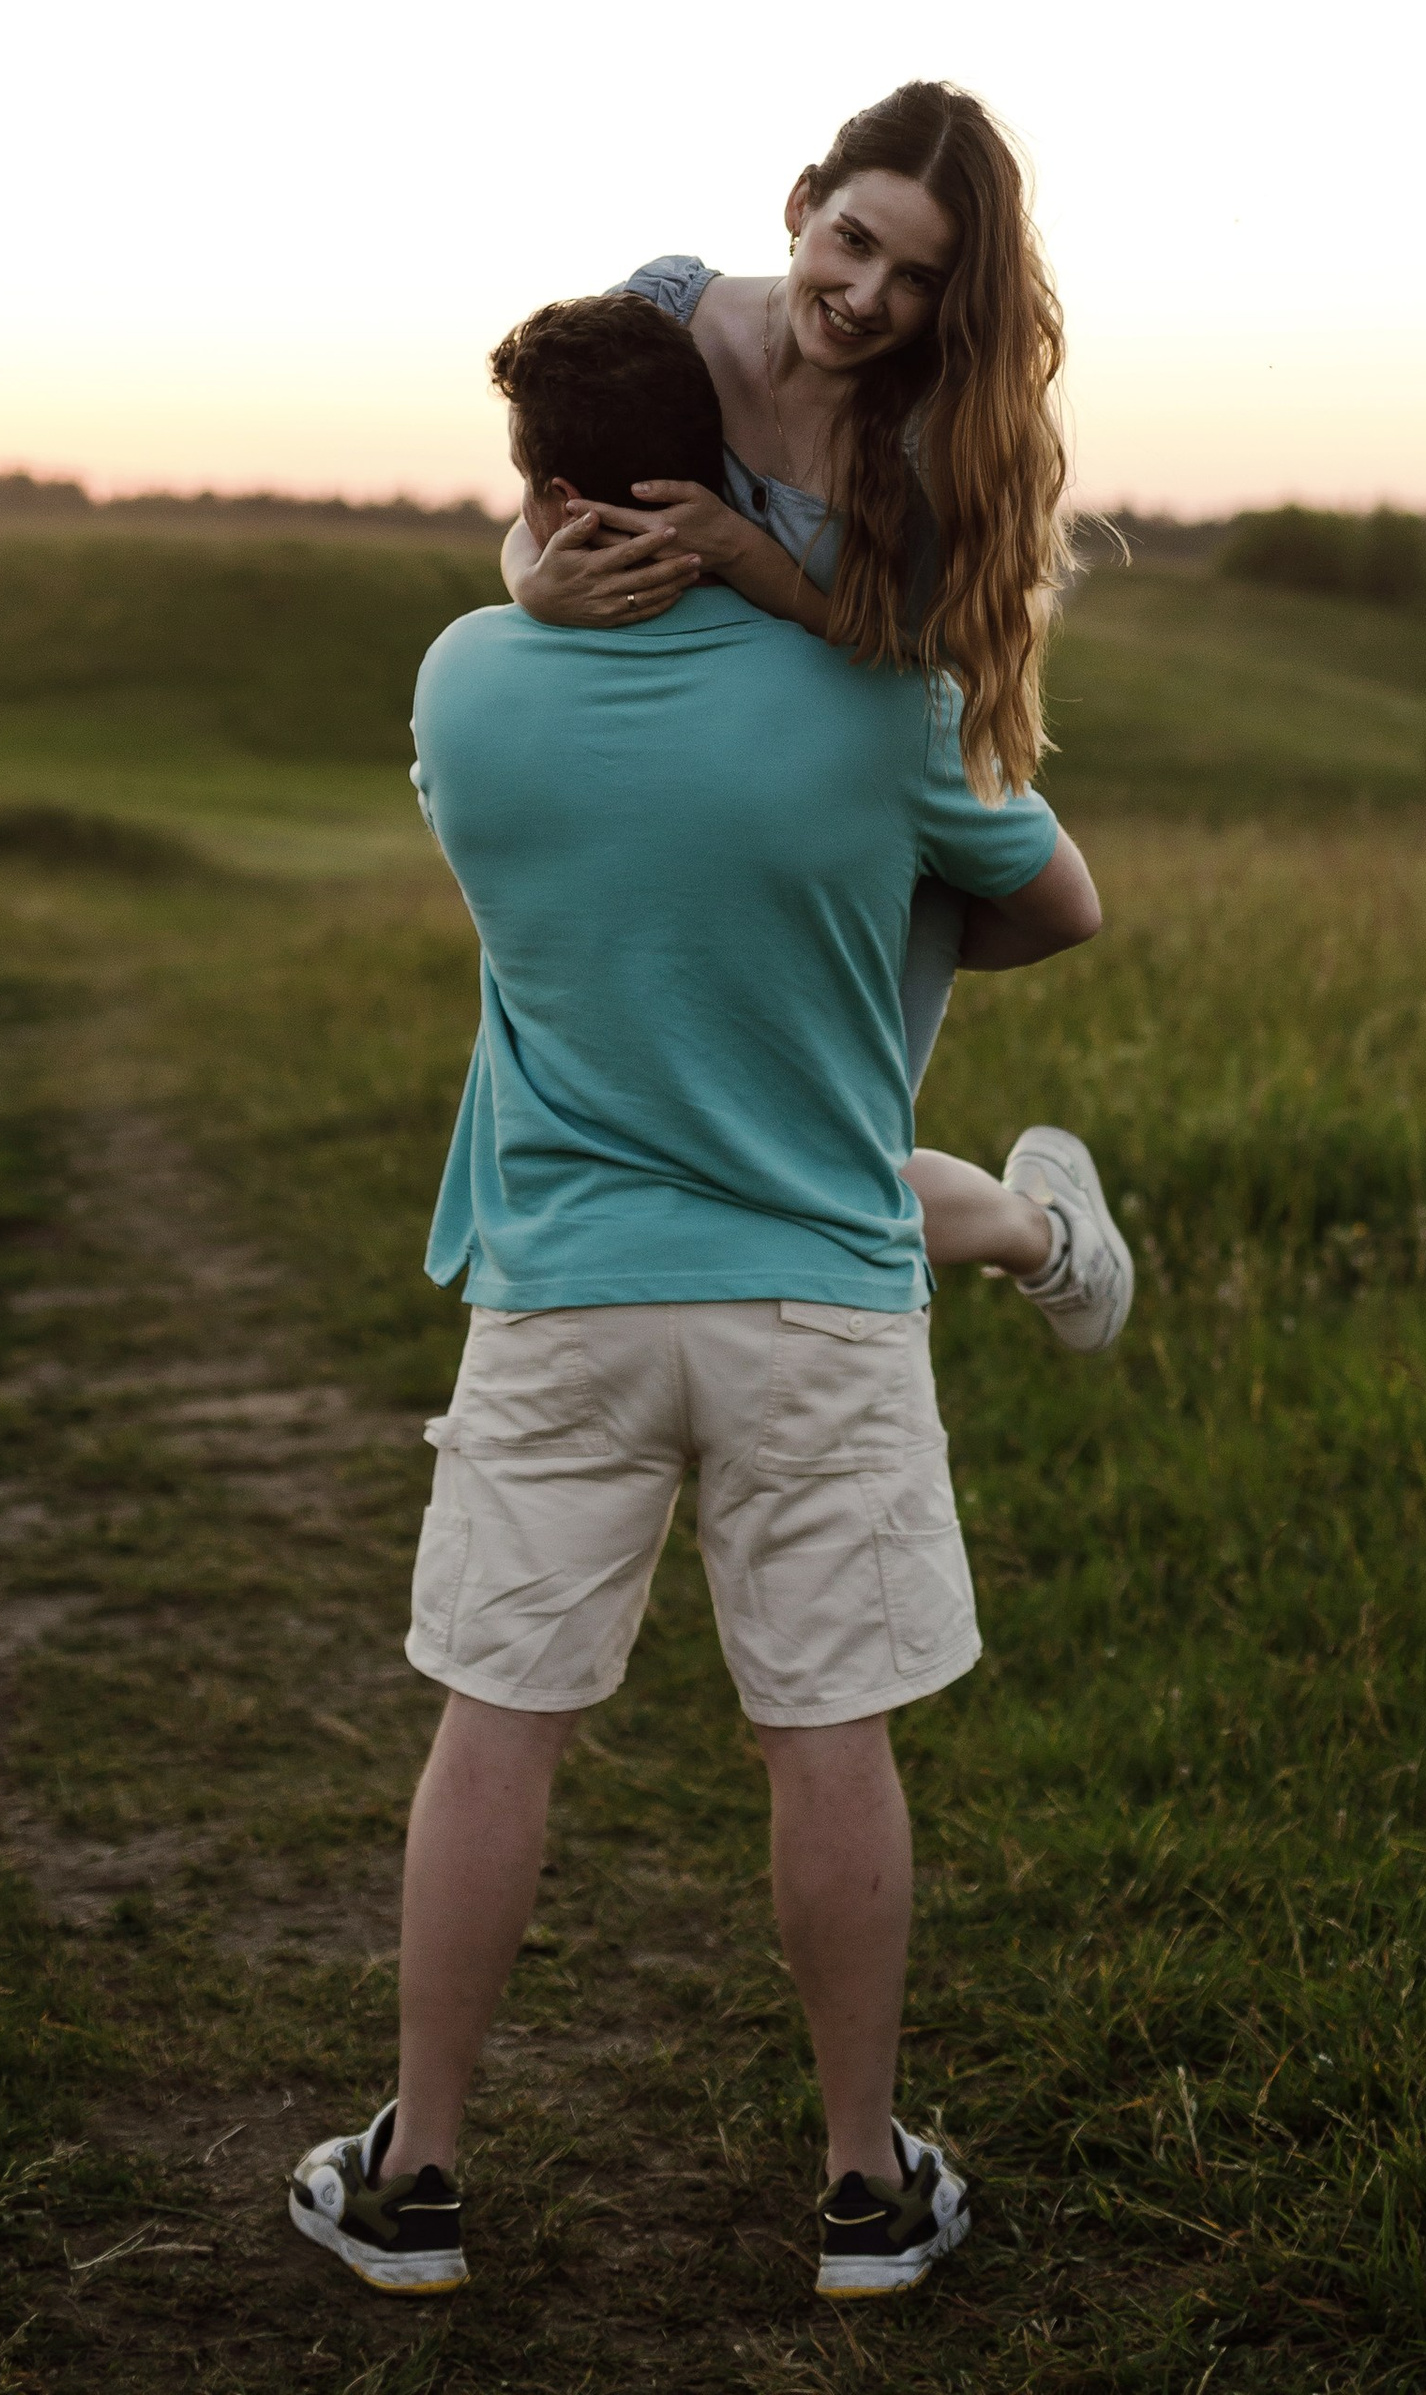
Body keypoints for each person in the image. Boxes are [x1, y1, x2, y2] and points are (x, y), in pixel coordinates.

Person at [288, 290, 1106, 2306]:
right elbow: (1057, 907)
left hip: (560, 1292)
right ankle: (858, 2192)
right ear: (717, 468)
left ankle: (416, 2183)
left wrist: (524, 577)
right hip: (816, 1301)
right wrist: (864, 926)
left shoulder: (467, 683)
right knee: (825, 1737)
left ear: (555, 493)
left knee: (499, 1731)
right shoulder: (878, 699)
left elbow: (532, 700)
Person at [500, 78, 1131, 1355]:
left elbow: (912, 657)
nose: (866, 296)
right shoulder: (664, 312)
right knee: (732, 1155)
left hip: (854, 786)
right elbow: (547, 504)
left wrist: (747, 554)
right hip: (700, 788)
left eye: (916, 278)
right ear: (801, 205)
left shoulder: (921, 429)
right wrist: (534, 587)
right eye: (854, 241)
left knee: (831, 1162)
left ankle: (1043, 1235)